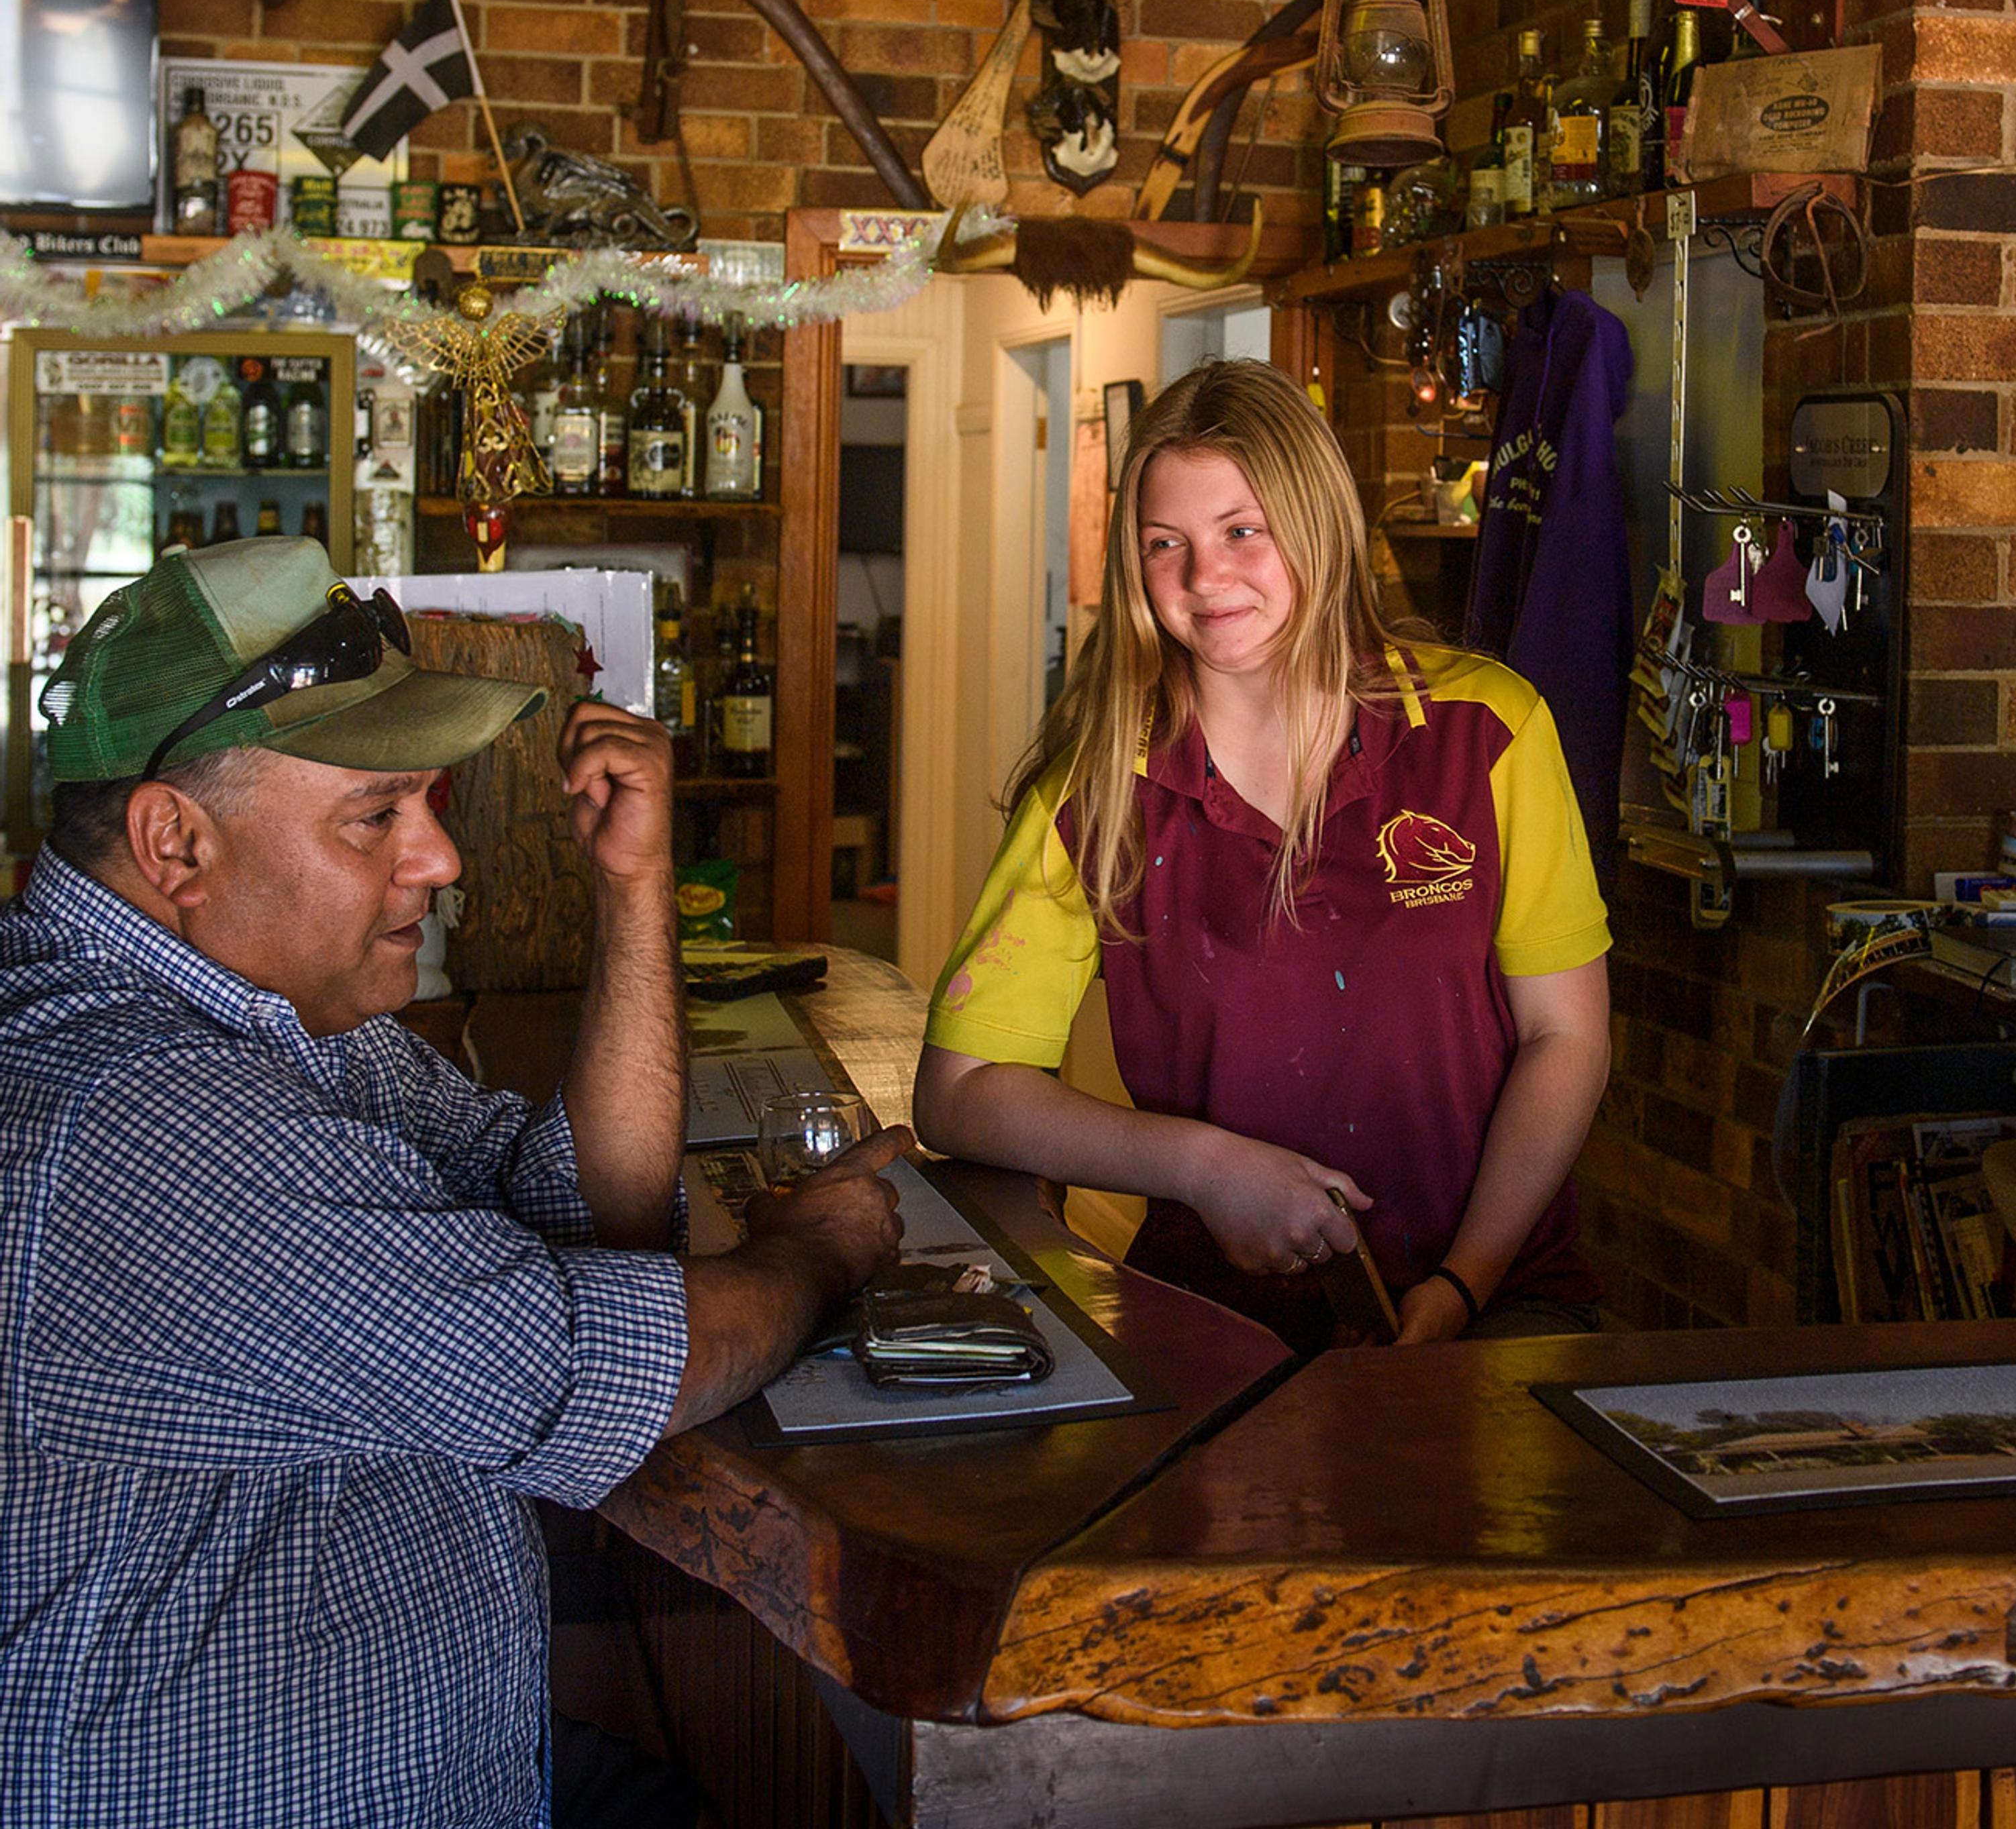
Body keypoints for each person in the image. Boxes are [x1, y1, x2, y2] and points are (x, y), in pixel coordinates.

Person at [0, 538, 909, 1828]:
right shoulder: (141, 1118)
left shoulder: (276, 1028)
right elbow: (592, 1371)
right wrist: (817, 1254)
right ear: (174, 843)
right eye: (376, 816)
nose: (441, 859)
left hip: (443, 1759)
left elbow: (587, 1212)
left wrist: (634, 889)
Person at [913, 360, 1611, 1351]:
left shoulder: (1486, 731)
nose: (1206, 577)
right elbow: (959, 1089)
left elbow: (1566, 1040)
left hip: (1500, 1302)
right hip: (1216, 1317)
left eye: (1244, 530)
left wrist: (1463, 1284)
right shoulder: (1097, 789)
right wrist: (1204, 1168)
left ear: (1318, 521)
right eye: (1168, 545)